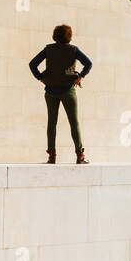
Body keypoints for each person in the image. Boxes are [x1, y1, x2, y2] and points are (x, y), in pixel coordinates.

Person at [29, 24, 92, 164]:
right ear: (69, 36)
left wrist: (40, 78)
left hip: (50, 90)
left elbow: (32, 64)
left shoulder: (48, 49)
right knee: (74, 122)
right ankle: (79, 155)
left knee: (52, 123)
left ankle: (52, 156)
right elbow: (88, 63)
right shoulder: (73, 50)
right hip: (68, 90)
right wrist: (80, 76)